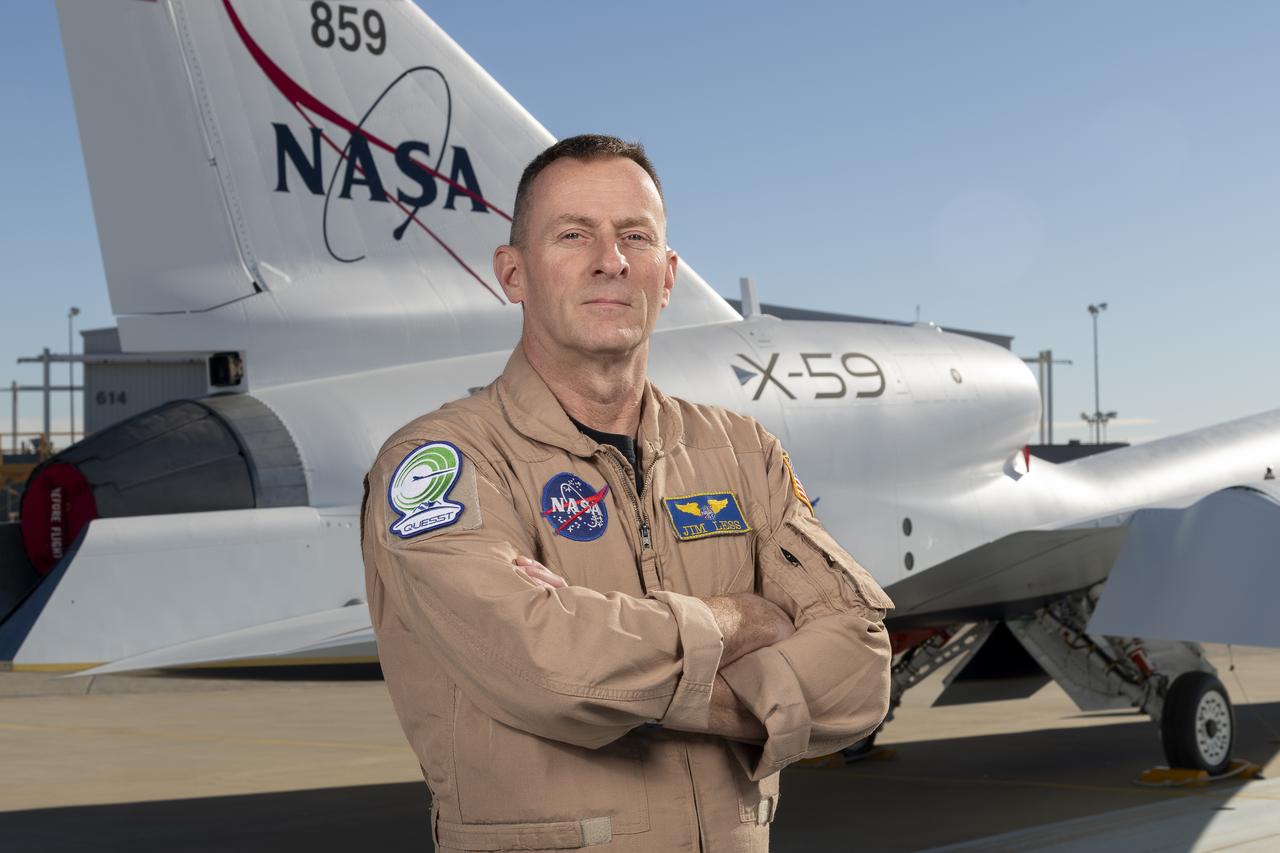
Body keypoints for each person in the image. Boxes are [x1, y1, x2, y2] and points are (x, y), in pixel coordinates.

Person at [362, 134, 893, 852]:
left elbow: (860, 669)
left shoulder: (741, 451)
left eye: (634, 236)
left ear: (668, 276)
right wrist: (741, 621)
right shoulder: (444, 462)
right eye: (574, 233)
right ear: (513, 273)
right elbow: (551, 669)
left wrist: (635, 690)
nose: (609, 259)